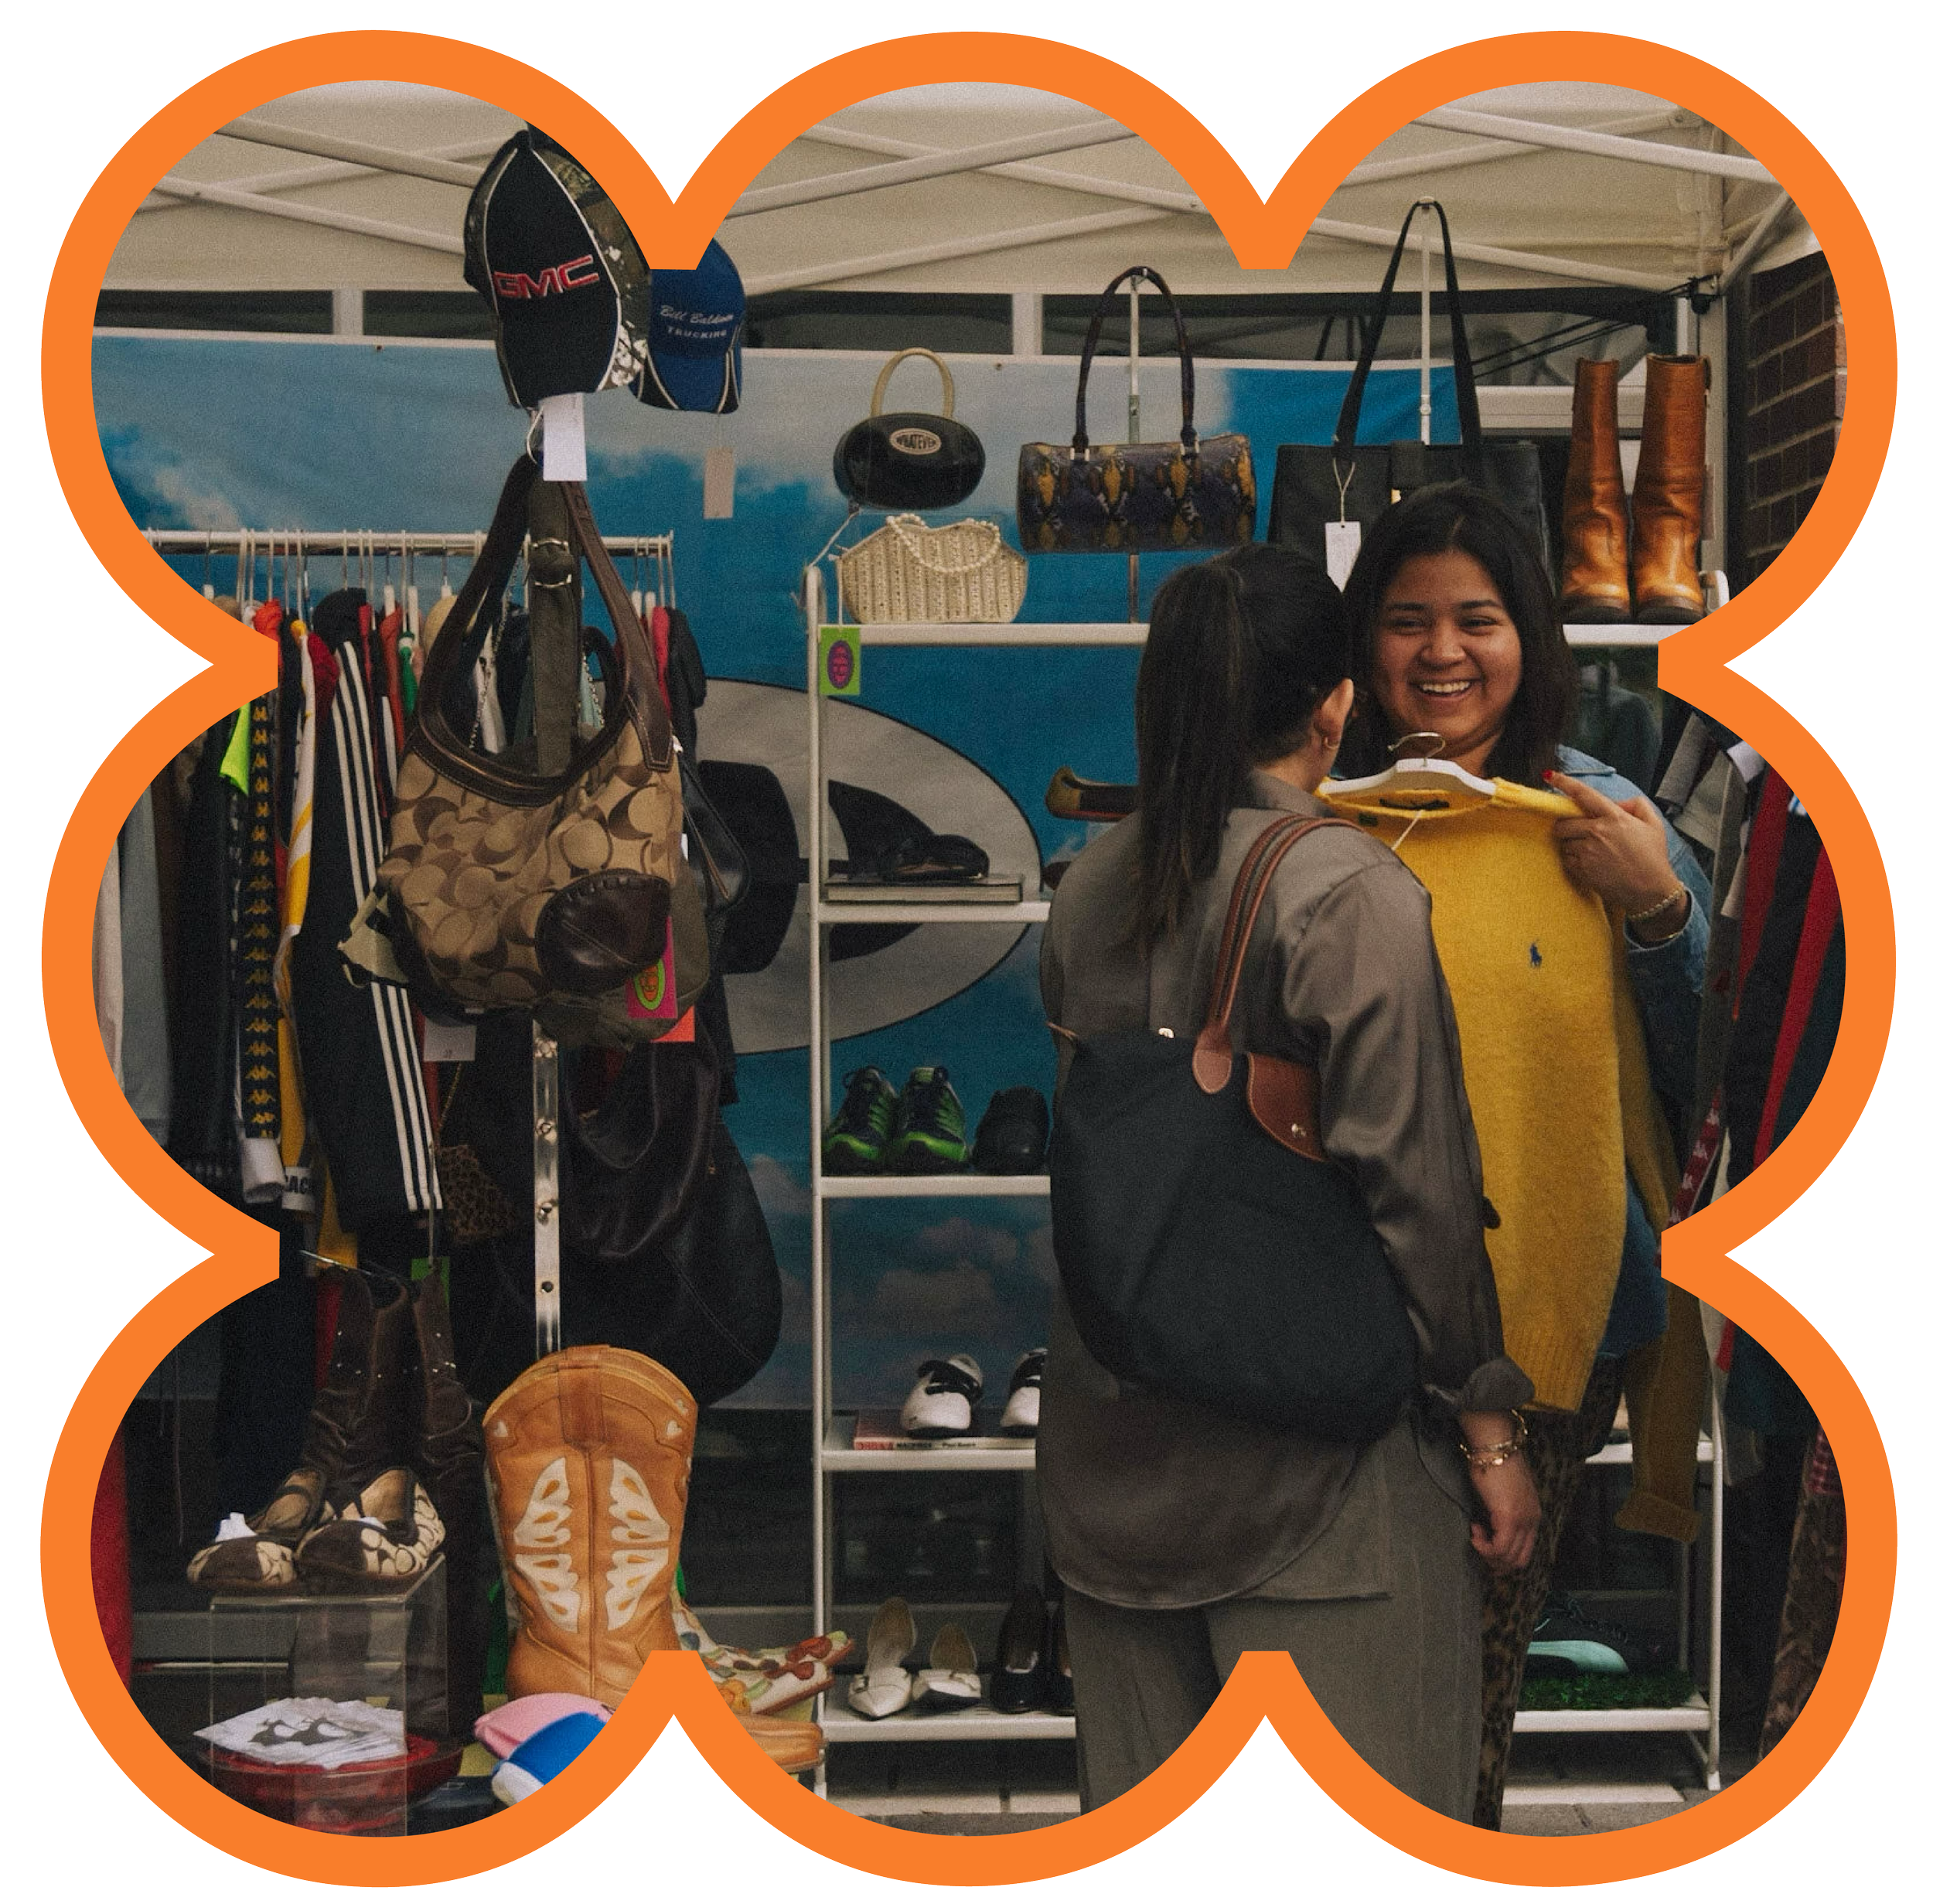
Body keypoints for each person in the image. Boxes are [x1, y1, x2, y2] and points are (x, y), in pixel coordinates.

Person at [1037, 542, 1539, 1822]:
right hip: (1316, 1492)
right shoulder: (1347, 891)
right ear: (1334, 706)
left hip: (1112, 1465)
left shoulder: (1094, 884)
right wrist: (1489, 1429)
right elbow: (1418, 1192)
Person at [1328, 482, 1710, 1830]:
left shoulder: (1594, 816)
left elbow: (1700, 1068)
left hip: (1551, 1322)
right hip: (1342, 1321)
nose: (1443, 652)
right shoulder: (1319, 818)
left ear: (1531, 637)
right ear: (1359, 643)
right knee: (1344, 1684)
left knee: (1469, 1697)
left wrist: (1659, 908)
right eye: (1407, 620)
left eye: (1478, 619)